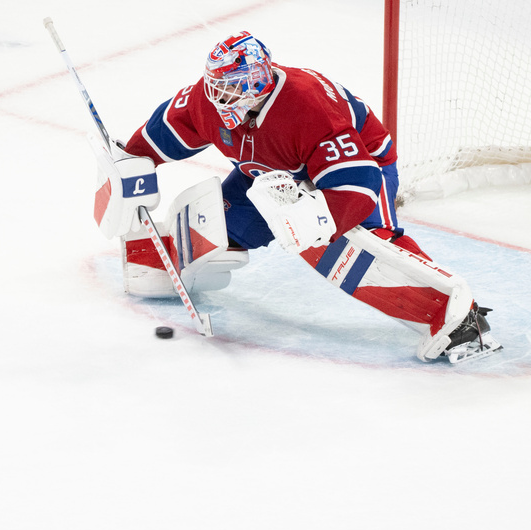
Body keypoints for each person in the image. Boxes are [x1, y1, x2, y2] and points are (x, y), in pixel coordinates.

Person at [114, 31, 501, 363]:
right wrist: (130, 160)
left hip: (364, 166)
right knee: (221, 223)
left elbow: (357, 183)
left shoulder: (308, 105)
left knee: (373, 246)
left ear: (257, 83)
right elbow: (167, 128)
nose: (218, 94)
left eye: (231, 85)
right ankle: (166, 257)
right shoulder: (209, 100)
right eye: (216, 83)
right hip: (272, 174)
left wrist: (320, 220)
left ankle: (462, 318)